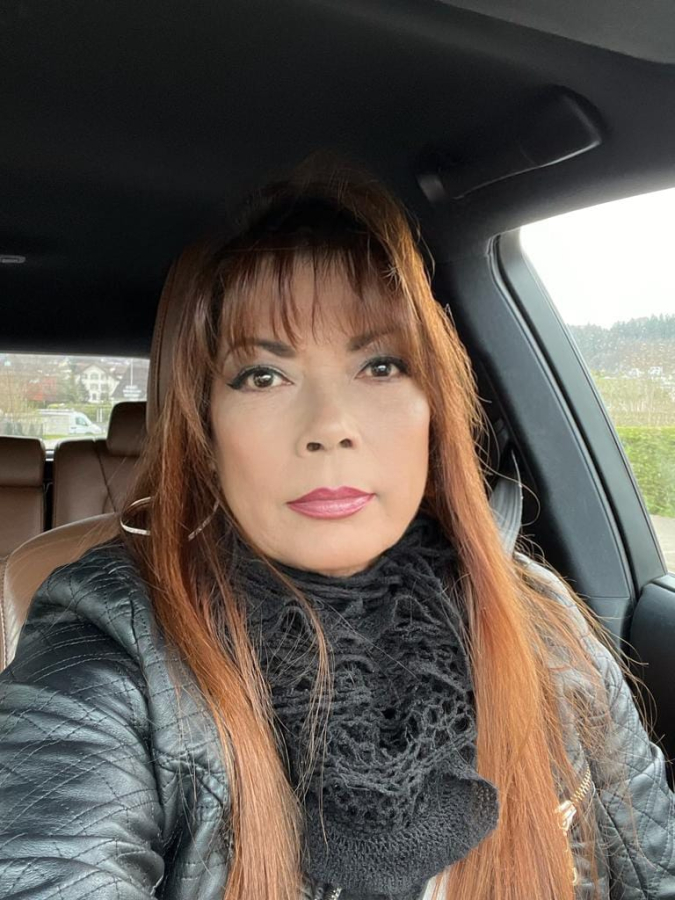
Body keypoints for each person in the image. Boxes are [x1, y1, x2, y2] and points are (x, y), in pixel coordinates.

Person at [0, 154, 673, 900]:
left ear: (435, 407)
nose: (330, 426)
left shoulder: (542, 626)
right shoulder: (112, 643)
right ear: (206, 432)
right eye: (263, 376)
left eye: (380, 366)